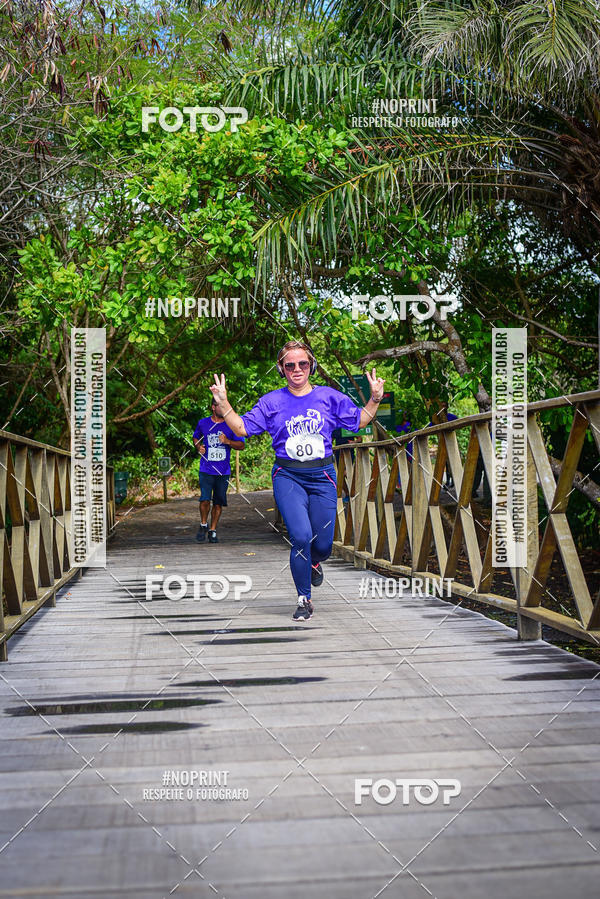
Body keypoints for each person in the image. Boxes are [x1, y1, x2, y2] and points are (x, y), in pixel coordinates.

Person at [209, 340, 385, 620]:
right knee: (301, 536)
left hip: (322, 475)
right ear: (281, 368)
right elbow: (241, 428)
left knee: (324, 545)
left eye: (302, 363)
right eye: (289, 365)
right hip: (288, 475)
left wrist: (374, 398)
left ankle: (315, 562)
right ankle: (304, 599)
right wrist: (224, 402)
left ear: (311, 365)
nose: (297, 369)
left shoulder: (329, 397)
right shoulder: (272, 402)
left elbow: (359, 421)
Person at [193, 398, 245, 543]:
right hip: (206, 469)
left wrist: (228, 442)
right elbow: (196, 437)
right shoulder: (203, 423)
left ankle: (213, 530)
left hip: (223, 471)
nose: (223, 409)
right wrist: (199, 447)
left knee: (218, 502)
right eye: (220, 406)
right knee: (204, 499)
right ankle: (203, 524)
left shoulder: (231, 424)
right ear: (213, 407)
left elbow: (241, 445)